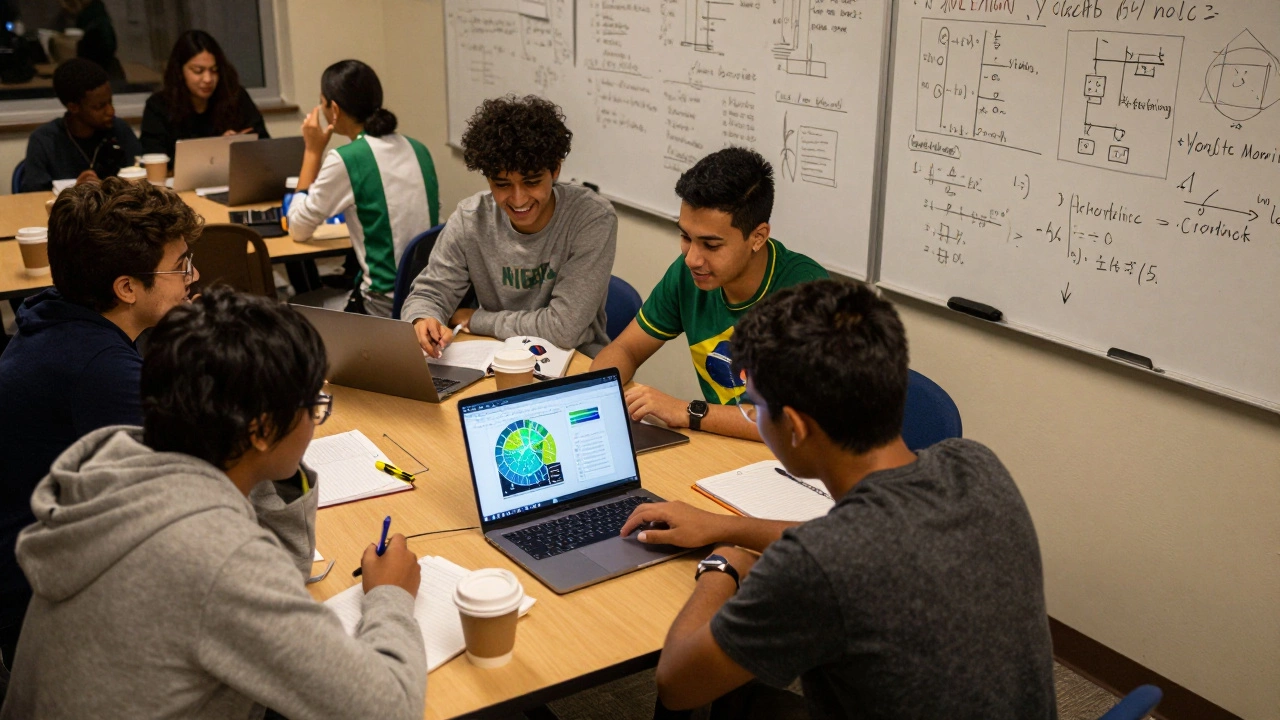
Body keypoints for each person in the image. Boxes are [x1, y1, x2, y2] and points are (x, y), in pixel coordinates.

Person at [618, 280, 1058, 719]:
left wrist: (723, 566)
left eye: (756, 409)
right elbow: (866, 544)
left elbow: (676, 685)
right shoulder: (975, 465)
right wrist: (727, 526)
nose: (754, 419)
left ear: (795, 427)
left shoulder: (817, 565)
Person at [0, 288, 427, 719]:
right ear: (261, 431)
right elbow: (388, 708)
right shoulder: (217, 558)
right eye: (313, 407)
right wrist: (390, 594)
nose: (316, 421)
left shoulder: (121, 463)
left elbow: (282, 572)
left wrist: (276, 468)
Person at [0, 178, 201, 664]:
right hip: (50, 617)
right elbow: (192, 491)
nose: (194, 276)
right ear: (126, 287)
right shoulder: (100, 371)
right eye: (181, 266)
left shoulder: (53, 315)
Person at [590, 147, 827, 441]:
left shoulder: (807, 293)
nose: (692, 259)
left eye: (711, 245)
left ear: (758, 237)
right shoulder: (689, 274)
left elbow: (789, 424)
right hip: (726, 446)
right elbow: (626, 349)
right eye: (685, 237)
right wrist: (593, 394)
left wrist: (687, 411)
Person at [402, 95, 616, 357]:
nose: (518, 199)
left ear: (555, 170)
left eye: (532, 182)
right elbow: (429, 294)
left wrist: (476, 319)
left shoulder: (591, 218)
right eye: (502, 185)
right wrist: (423, 318)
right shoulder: (471, 219)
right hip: (496, 354)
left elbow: (563, 329)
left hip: (573, 360)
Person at [286, 59, 440, 317]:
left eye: (322, 102)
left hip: (382, 306)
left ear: (334, 109)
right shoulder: (418, 149)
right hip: (428, 296)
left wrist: (312, 152)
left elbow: (298, 228)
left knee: (291, 305)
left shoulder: (347, 158)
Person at [139, 29, 269, 163]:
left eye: (214, 70)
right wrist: (216, 149)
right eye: (198, 71)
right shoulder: (159, 106)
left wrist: (241, 145)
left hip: (233, 174)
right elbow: (152, 158)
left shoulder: (235, 96)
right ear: (179, 72)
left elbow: (265, 146)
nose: (208, 79)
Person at [19, 57, 142, 192]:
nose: (111, 111)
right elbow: (33, 193)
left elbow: (142, 177)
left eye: (110, 102)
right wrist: (75, 191)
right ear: (73, 107)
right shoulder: (45, 140)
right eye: (99, 107)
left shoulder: (119, 129)